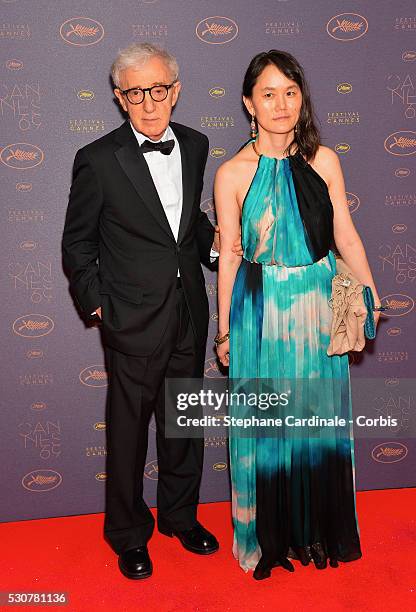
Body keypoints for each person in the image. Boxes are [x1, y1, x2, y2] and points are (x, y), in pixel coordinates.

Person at [62, 42, 232, 580]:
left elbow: (185, 227)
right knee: (130, 435)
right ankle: (128, 534)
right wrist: (99, 307)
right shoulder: (97, 158)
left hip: (187, 311)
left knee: (183, 427)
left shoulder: (198, 146)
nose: (149, 102)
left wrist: (214, 246)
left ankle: (180, 518)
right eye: (135, 93)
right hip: (130, 320)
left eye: (158, 90)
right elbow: (77, 245)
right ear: (119, 98)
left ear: (175, 92)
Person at [214, 50, 382, 580]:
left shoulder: (324, 161)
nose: (281, 104)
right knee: (267, 428)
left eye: (290, 91)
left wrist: (370, 293)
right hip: (260, 313)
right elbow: (232, 255)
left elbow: (345, 235)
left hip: (316, 309)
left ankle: (317, 532)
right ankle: (270, 538)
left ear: (301, 98)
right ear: (249, 104)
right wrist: (224, 331)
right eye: (268, 93)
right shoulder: (232, 174)